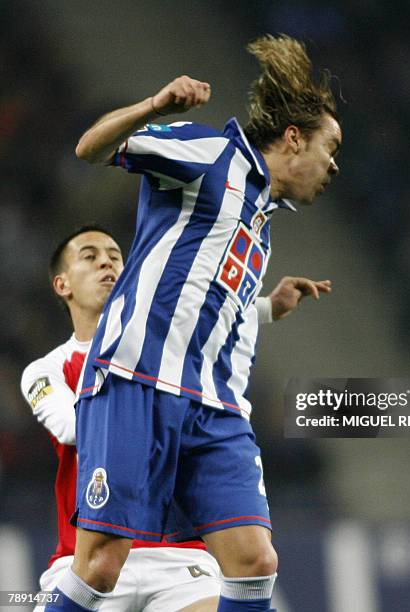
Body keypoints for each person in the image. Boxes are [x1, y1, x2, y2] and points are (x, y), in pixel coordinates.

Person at [48, 34, 341, 612]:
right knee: (102, 565)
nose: (335, 164)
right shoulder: (210, 156)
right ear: (292, 138)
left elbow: (201, 307)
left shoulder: (260, 220)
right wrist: (155, 108)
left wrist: (267, 308)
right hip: (136, 382)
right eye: (330, 147)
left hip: (215, 407)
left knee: (256, 562)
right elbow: (90, 148)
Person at [24, 225, 331, 611]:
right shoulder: (47, 370)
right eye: (89, 256)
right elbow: (72, 429)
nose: (107, 262)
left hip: (177, 557)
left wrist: (266, 308)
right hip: (88, 556)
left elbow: (204, 315)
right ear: (62, 284)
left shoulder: (163, 348)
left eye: (116, 256)